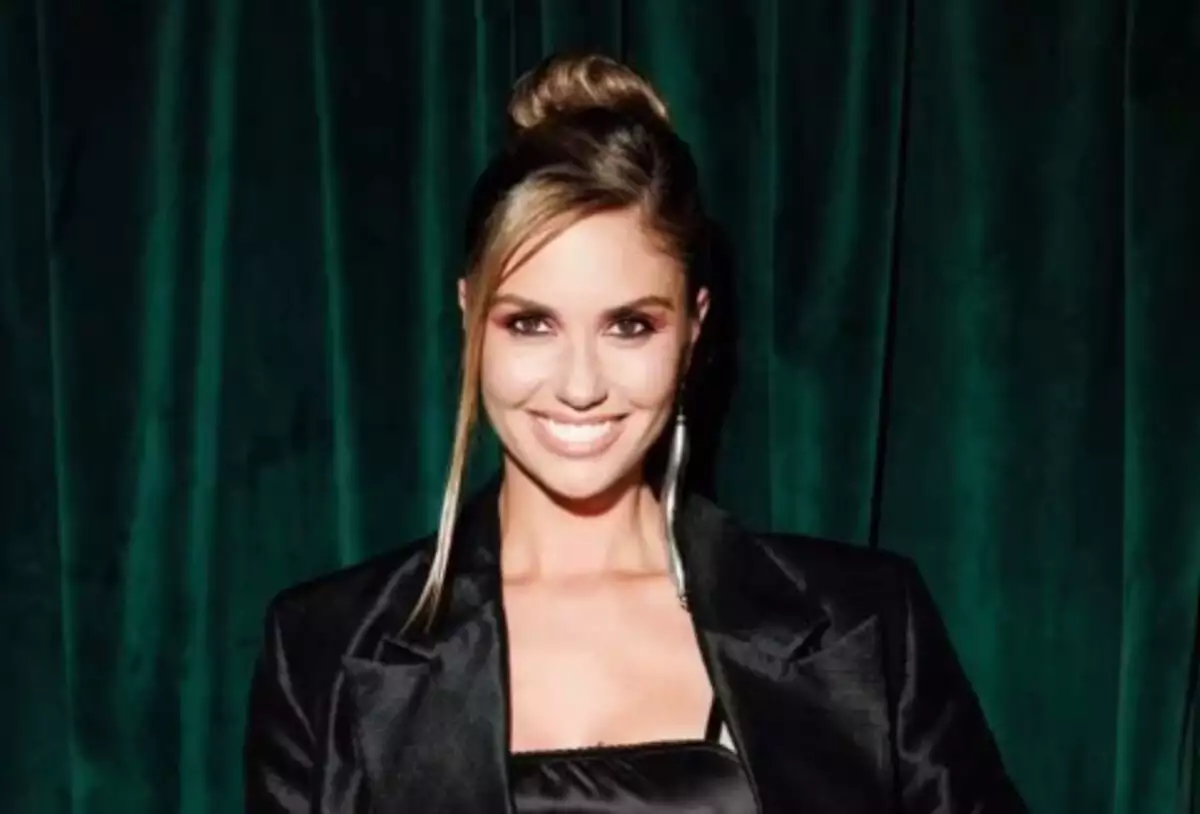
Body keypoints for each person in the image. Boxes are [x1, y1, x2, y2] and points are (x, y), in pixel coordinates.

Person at [243, 53, 1027, 813]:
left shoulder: (870, 623)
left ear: (692, 328)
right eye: (531, 323)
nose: (581, 385)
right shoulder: (325, 650)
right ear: (469, 315)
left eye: (629, 325)